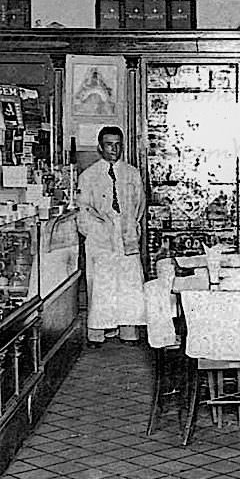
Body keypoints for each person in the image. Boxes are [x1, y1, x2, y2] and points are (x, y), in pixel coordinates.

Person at [76, 126, 146, 348]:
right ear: (99, 147)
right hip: (100, 235)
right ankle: (97, 332)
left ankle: (128, 331)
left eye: (118, 144)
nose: (114, 149)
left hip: (125, 233)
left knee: (129, 283)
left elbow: (140, 204)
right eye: (109, 144)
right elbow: (82, 208)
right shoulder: (89, 175)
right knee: (101, 284)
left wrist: (131, 227)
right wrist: (95, 232)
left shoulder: (132, 173)